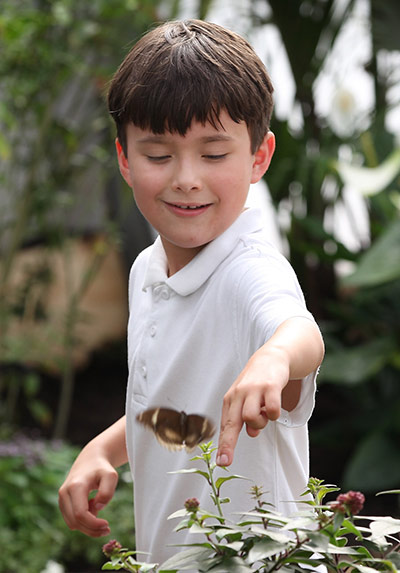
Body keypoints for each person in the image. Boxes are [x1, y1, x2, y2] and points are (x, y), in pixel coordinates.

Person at [58, 18, 325, 566]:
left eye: (213, 154)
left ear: (259, 157)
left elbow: (300, 332)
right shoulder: (146, 270)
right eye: (158, 155)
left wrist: (274, 359)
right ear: (125, 160)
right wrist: (104, 448)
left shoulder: (249, 271)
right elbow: (174, 411)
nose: (186, 177)